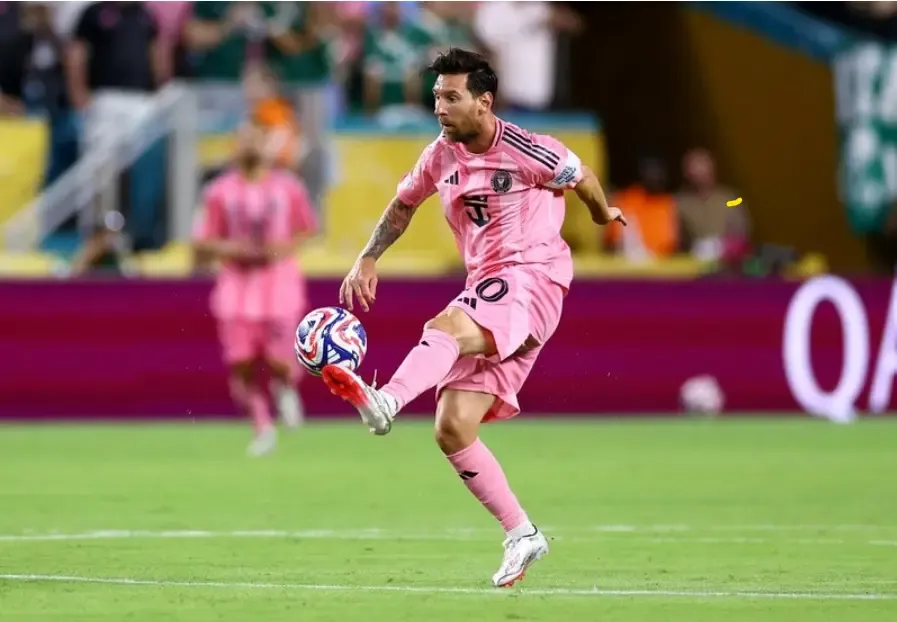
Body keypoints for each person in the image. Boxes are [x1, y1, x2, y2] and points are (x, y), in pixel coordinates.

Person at [320, 48, 626, 587]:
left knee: (444, 329)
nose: (439, 106)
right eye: (437, 96)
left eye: (451, 97)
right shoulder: (440, 155)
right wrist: (368, 256)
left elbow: (582, 178)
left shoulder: (529, 149)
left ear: (484, 103)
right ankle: (522, 534)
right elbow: (402, 205)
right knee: (452, 426)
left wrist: (605, 215)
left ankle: (386, 399)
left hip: (532, 278)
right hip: (491, 286)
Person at [192, 119, 318, 457]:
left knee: (279, 359)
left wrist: (279, 250)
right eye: (243, 139)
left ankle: (286, 386)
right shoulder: (218, 191)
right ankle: (262, 426)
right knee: (241, 363)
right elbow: (204, 241)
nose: (249, 146)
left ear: (267, 145)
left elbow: (306, 229)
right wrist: (233, 250)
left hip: (278, 284)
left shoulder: (288, 187)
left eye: (255, 139)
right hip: (236, 286)